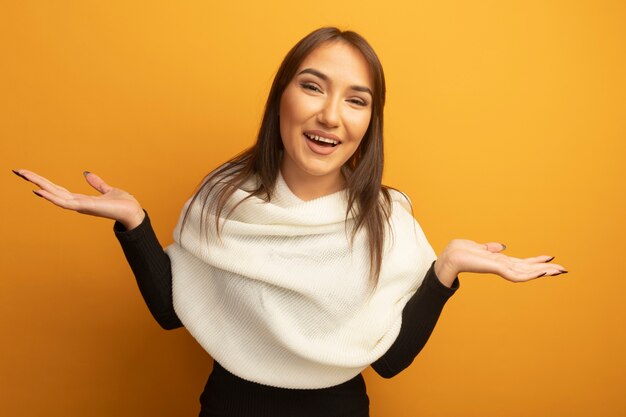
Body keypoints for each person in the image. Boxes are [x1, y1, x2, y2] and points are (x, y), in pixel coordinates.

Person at [14, 27, 566, 417]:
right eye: (312, 86)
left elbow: (391, 362)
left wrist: (445, 270)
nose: (331, 114)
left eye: (357, 100)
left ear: (369, 121)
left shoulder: (387, 220)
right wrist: (135, 224)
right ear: (281, 96)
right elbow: (172, 312)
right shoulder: (222, 198)